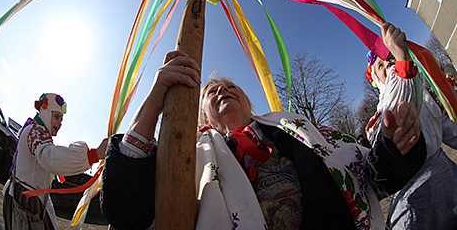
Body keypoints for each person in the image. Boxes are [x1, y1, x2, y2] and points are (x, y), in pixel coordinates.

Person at [101, 50, 426, 230]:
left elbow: (372, 176)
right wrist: (153, 102)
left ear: (249, 103)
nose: (222, 90)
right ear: (202, 119)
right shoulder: (188, 155)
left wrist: (394, 145)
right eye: (211, 92)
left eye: (230, 87)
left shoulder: (296, 130)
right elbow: (127, 212)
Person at [364, 23, 457, 229]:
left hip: (447, 175)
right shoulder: (377, 119)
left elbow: (451, 129)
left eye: (390, 59)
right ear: (375, 78)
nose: (388, 64)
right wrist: (401, 63)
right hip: (415, 193)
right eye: (380, 65)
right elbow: (398, 106)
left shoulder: (428, 93)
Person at [3, 93, 109, 230]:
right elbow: (49, 158)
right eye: (56, 117)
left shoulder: (38, 132)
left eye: (61, 119)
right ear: (46, 113)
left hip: (34, 199)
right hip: (25, 201)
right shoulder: (35, 132)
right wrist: (94, 154)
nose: (59, 123)